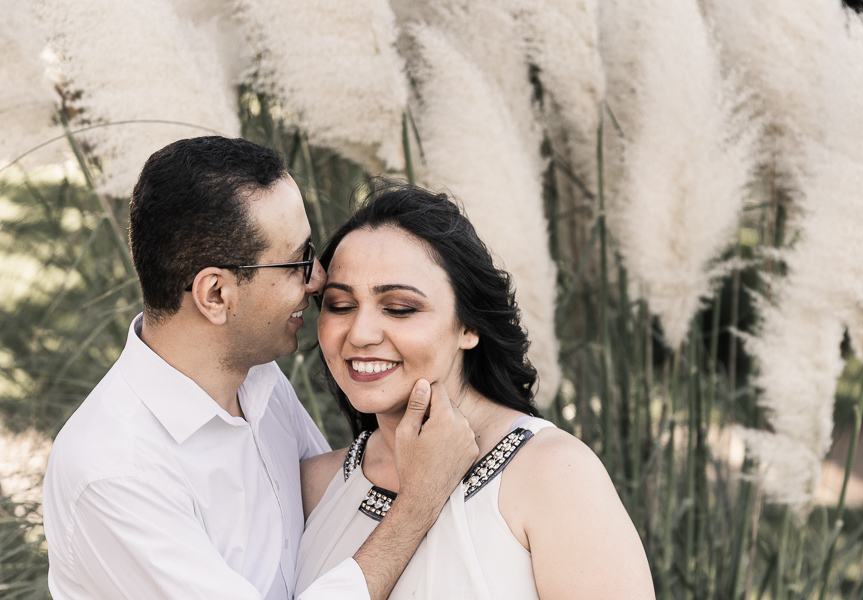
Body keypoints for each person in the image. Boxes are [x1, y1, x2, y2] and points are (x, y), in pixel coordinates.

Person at [42, 137, 478, 600]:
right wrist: (419, 501)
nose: (318, 279)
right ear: (215, 294)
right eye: (298, 261)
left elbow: (334, 511)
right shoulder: (114, 471)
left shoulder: (259, 381)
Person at [296, 184, 656, 599]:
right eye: (340, 306)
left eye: (399, 308)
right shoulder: (313, 486)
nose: (360, 334)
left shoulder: (555, 475)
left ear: (469, 326)